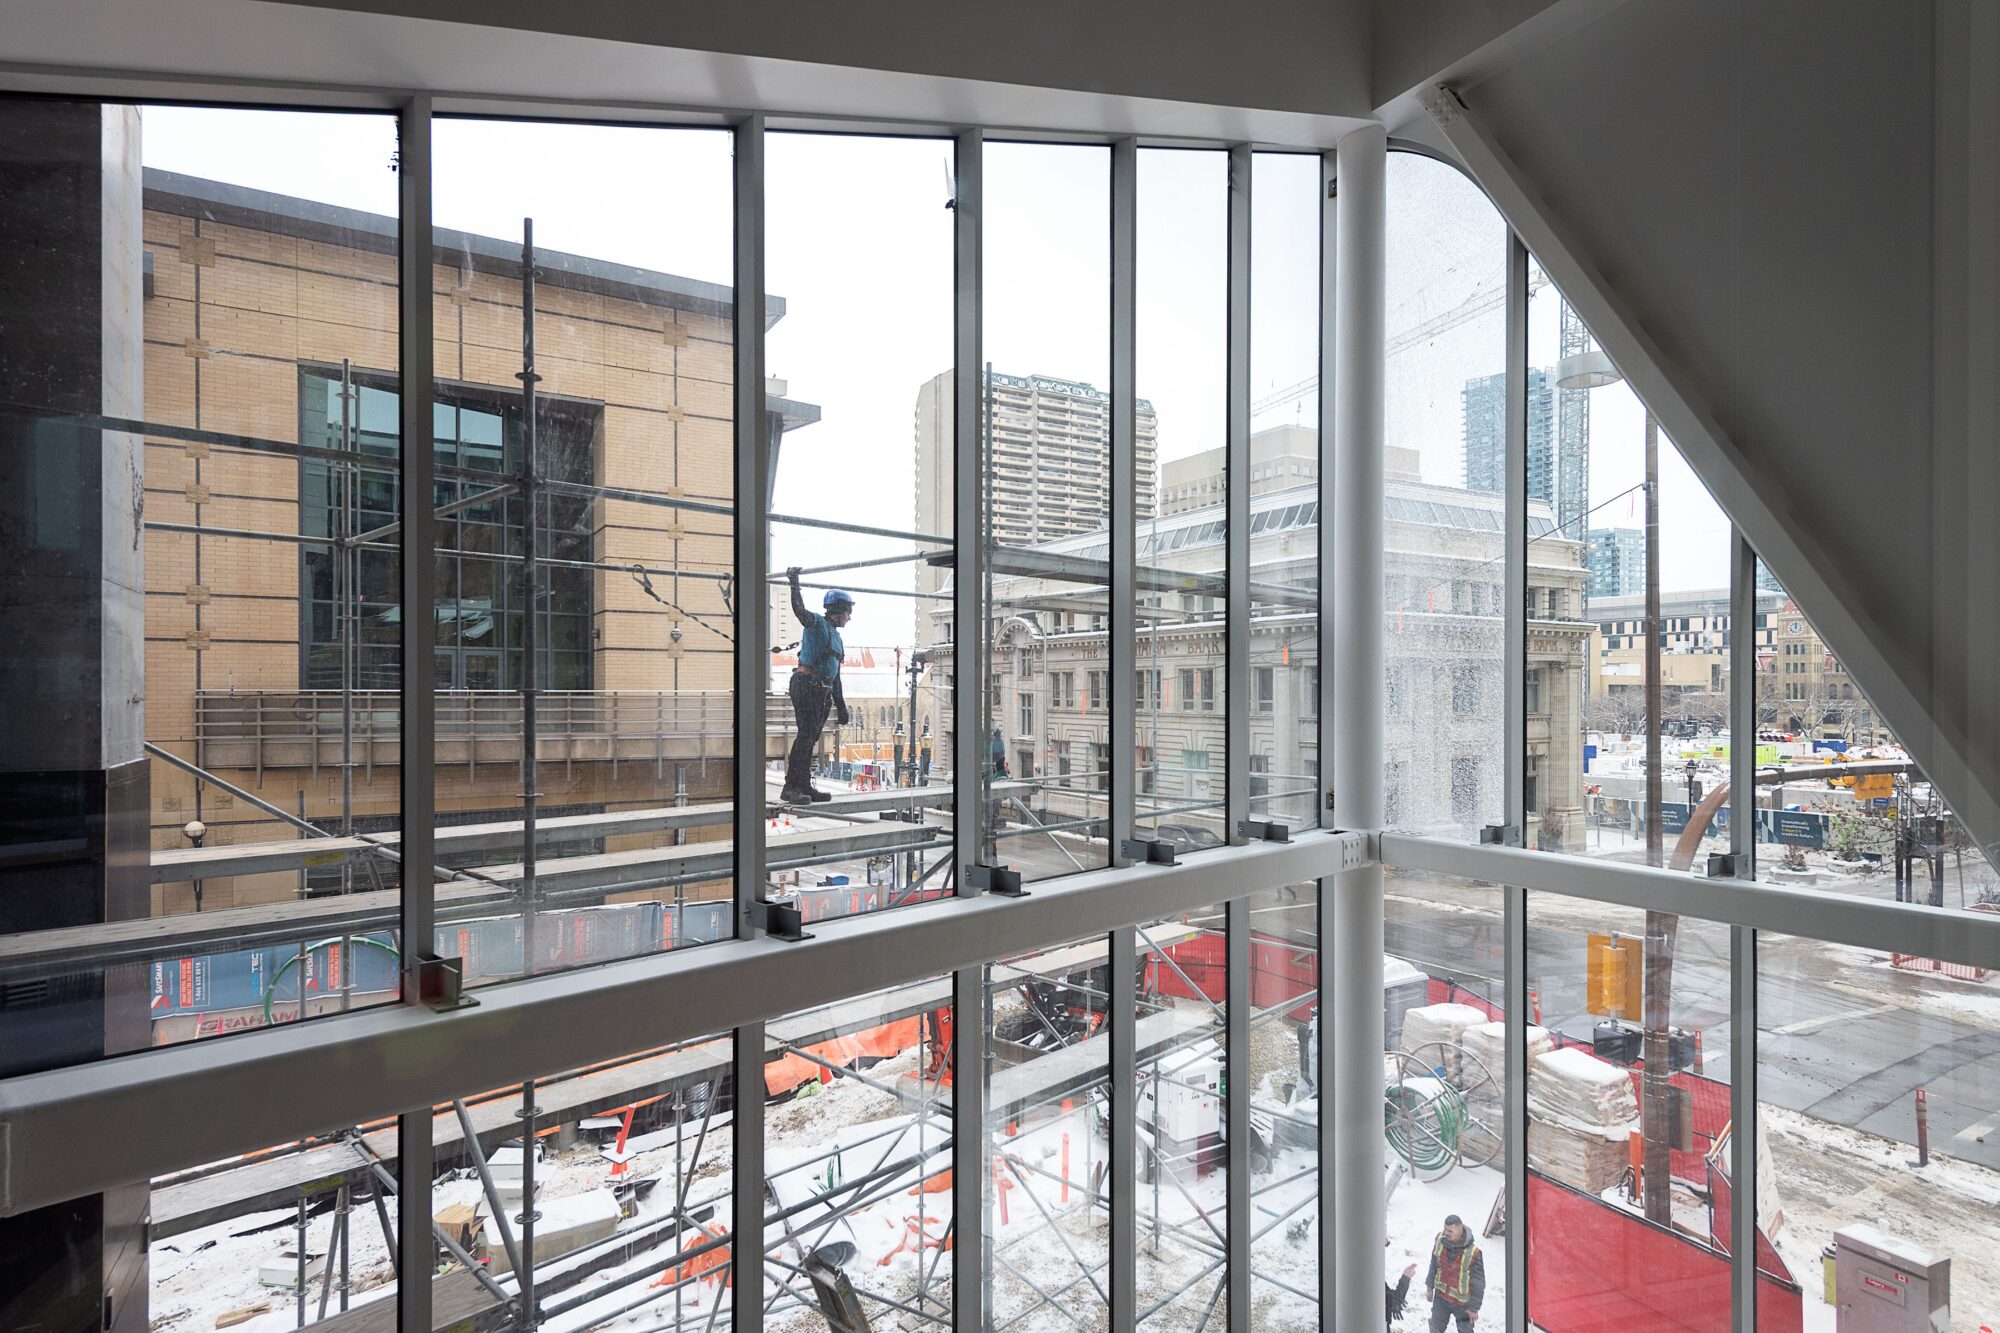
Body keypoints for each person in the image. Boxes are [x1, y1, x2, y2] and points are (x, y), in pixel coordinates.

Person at [782, 568, 852, 804]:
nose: (849, 618)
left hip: (822, 690)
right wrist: (794, 583)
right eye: (847, 612)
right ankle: (791, 787)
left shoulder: (837, 638)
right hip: (807, 684)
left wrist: (841, 706)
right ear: (838, 611)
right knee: (805, 736)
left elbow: (836, 676)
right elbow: (799, 611)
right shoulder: (817, 624)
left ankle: (803, 785)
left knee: (810, 738)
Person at [1424, 1215, 1484, 1331]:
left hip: (1462, 1304)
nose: (1446, 1233)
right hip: (1441, 1297)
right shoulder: (1439, 1240)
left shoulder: (1474, 1253)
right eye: (1445, 1229)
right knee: (1436, 1328)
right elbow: (1433, 1265)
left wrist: (1474, 1308)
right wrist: (1429, 1288)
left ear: (1460, 1231)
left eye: (1450, 1231)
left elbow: (1479, 1283)